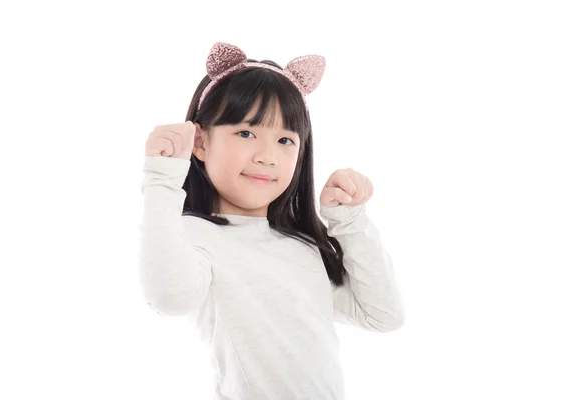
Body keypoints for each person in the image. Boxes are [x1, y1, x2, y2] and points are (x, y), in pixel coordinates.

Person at [138, 42, 405, 400]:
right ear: (200, 142)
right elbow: (170, 298)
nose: (267, 156)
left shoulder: (301, 244)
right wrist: (162, 182)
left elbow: (383, 315)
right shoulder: (194, 235)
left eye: (284, 140)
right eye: (246, 133)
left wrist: (349, 221)